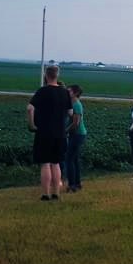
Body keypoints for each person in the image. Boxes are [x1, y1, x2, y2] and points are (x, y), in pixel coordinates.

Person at [27, 65, 72, 201]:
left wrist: (32, 124)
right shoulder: (64, 92)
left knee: (45, 163)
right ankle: (56, 193)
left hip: (44, 132)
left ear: (46, 75)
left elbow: (30, 108)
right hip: (60, 133)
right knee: (56, 163)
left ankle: (46, 194)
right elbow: (70, 113)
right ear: (57, 75)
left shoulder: (42, 91)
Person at [64, 84, 87, 192]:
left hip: (78, 134)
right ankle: (77, 183)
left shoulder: (77, 105)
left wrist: (65, 131)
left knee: (69, 159)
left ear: (75, 93)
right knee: (75, 160)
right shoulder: (72, 103)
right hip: (76, 134)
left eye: (69, 91)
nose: (67, 93)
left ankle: (72, 185)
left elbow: (76, 123)